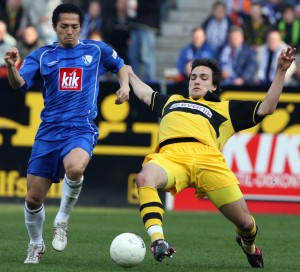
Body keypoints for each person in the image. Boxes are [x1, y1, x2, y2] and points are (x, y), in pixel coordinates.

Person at [126, 47, 296, 268]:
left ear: (214, 85)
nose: (197, 81)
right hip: (171, 157)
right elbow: (145, 93)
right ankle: (158, 240)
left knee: (246, 224)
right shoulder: (171, 101)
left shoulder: (224, 109)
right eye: (193, 77)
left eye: (204, 78)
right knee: (144, 178)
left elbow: (267, 107)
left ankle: (249, 246)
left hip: (209, 162)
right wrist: (128, 72)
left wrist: (281, 71)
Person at [4, 3, 130, 264]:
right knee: (33, 198)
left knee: (75, 168)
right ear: (54, 27)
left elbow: (121, 66)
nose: (70, 31)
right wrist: (12, 67)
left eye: (74, 26)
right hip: (49, 131)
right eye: (64, 27)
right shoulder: (42, 55)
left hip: (80, 127)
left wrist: (125, 86)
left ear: (80, 27)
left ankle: (61, 220)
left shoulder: (96, 50)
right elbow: (19, 84)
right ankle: (36, 244)